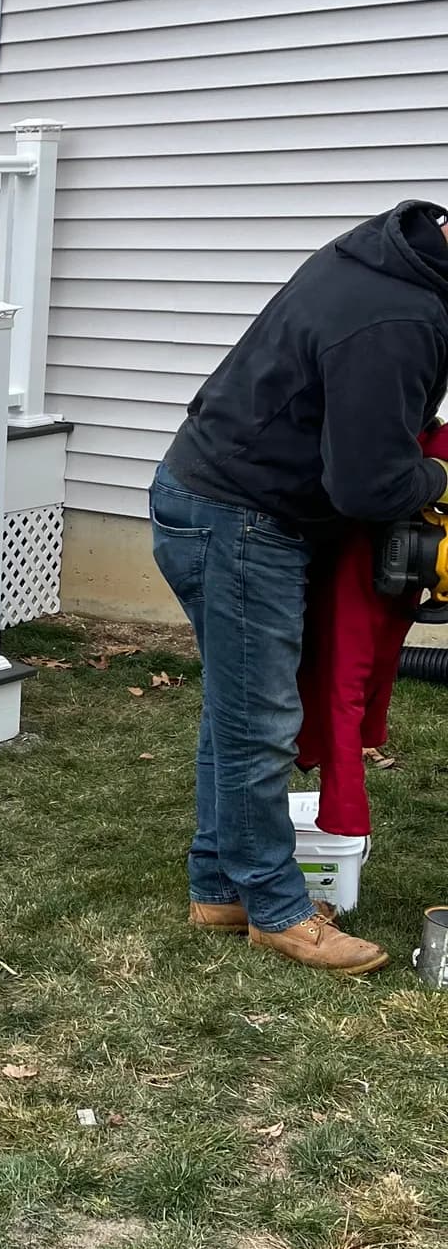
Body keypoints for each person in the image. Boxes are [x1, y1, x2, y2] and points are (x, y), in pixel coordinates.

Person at [152, 198, 448, 976]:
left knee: (236, 709)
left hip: (212, 496)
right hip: (239, 519)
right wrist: (438, 473)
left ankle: (218, 886)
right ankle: (276, 909)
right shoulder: (399, 317)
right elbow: (368, 485)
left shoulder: (389, 254)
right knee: (260, 722)